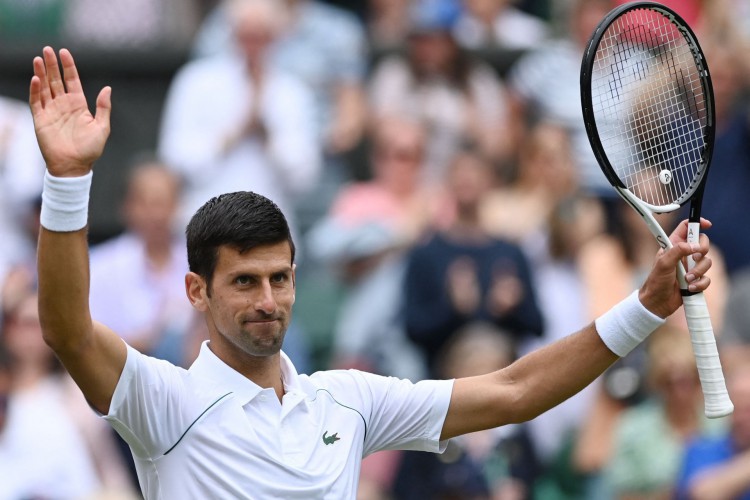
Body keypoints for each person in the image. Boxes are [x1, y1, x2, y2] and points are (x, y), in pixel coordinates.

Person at [29, 46, 715, 499]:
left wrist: (649, 305)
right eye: (244, 282)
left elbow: (515, 391)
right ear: (196, 292)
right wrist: (67, 183)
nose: (268, 299)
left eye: (280, 277)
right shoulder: (165, 402)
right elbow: (68, 331)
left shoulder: (345, 402)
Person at [675, 360, 750, 500]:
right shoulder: (701, 448)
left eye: (749, 408)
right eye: (737, 407)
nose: (743, 417)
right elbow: (702, 493)